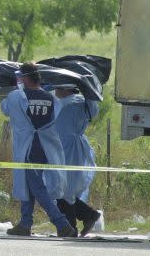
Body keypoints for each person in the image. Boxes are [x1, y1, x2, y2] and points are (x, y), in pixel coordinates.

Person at [1, 62, 76, 238]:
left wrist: (14, 91)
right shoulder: (50, 98)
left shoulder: (16, 96)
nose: (19, 79)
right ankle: (25, 223)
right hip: (46, 146)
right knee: (29, 184)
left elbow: (5, 109)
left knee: (36, 186)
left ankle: (62, 223)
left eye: (20, 77)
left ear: (26, 78)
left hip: (30, 147)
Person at [54, 86, 101, 237]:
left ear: (67, 88)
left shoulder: (68, 104)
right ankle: (87, 216)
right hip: (75, 148)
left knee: (63, 190)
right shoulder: (83, 103)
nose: (55, 89)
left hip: (66, 149)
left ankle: (71, 226)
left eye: (59, 85)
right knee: (66, 189)